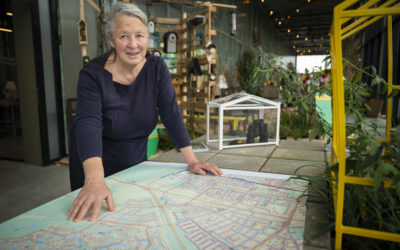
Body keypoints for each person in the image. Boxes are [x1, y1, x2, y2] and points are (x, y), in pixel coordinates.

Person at [67, 2, 222, 223]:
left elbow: (170, 113)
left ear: (147, 39)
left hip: (134, 157)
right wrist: (93, 179)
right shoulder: (92, 74)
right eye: (123, 36)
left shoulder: (157, 68)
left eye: (139, 35)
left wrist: (192, 160)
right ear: (112, 41)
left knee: (132, 217)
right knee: (94, 222)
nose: (133, 44)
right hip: (94, 161)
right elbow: (88, 123)